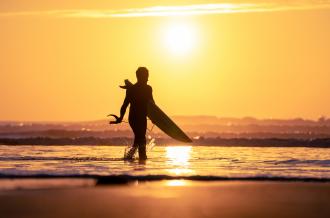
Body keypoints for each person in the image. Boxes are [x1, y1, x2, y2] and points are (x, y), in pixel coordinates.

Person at [111, 67, 154, 160]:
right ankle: (143, 157)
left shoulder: (148, 89)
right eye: (146, 76)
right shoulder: (132, 90)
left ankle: (129, 157)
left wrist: (156, 118)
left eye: (147, 76)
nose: (147, 79)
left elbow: (152, 104)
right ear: (139, 77)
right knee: (141, 137)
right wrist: (120, 118)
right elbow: (125, 105)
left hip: (142, 118)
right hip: (133, 118)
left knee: (138, 139)